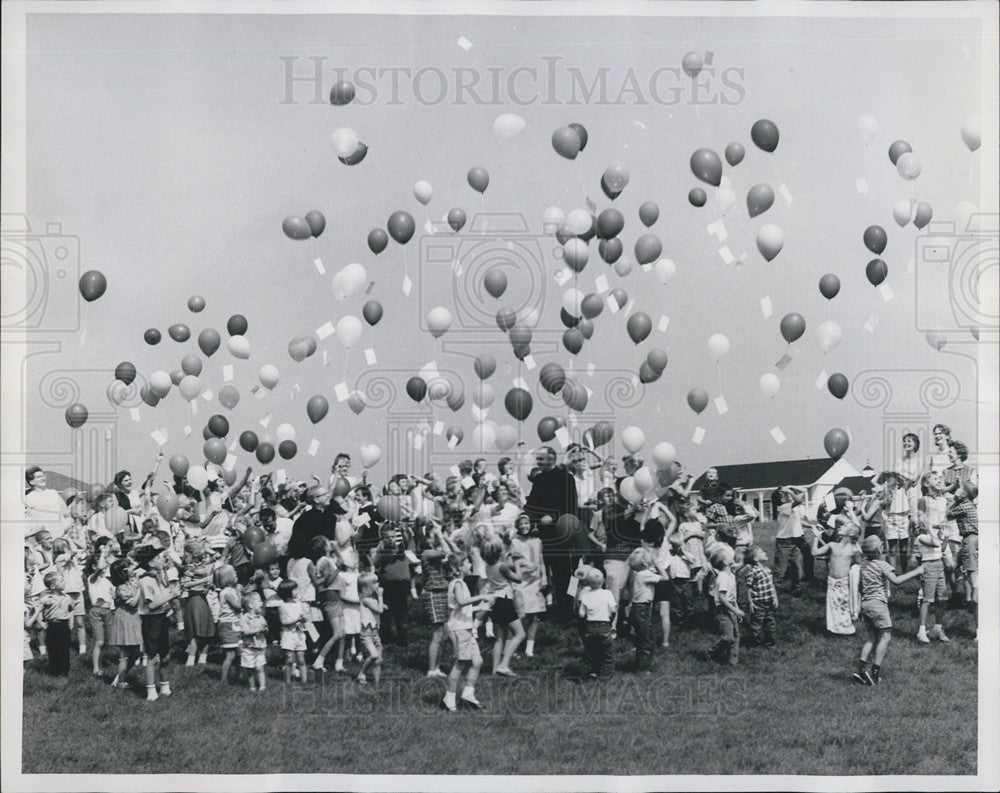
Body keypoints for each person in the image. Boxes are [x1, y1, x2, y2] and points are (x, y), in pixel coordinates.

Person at [852, 535, 924, 686]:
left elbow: (860, 587)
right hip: (878, 604)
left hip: (865, 604)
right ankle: (875, 673)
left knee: (872, 638)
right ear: (879, 549)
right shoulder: (882, 564)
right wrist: (917, 571)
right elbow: (896, 581)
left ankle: (861, 669)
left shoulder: (864, 565)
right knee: (886, 637)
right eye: (881, 545)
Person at [524, 446, 578, 619]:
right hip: (542, 535)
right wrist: (527, 518)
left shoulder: (566, 479)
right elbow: (531, 504)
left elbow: (571, 507)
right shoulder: (539, 479)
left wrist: (553, 518)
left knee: (565, 575)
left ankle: (567, 610)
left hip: (562, 534)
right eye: (537, 459)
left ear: (552, 459)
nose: (537, 463)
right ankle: (540, 609)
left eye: (541, 459)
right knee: (541, 573)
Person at [442, 553, 493, 711]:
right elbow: (462, 602)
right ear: (459, 567)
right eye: (467, 563)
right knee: (460, 663)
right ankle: (449, 699)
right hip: (459, 629)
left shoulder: (462, 583)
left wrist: (481, 607)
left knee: (477, 662)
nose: (470, 565)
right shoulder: (457, 583)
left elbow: (464, 608)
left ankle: (468, 694)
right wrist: (481, 596)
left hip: (466, 628)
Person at [135, 543, 179, 701]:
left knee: (165, 655)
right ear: (151, 563)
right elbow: (151, 605)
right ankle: (151, 690)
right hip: (151, 620)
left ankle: (165, 687)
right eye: (158, 557)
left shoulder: (158, 577)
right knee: (152, 656)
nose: (162, 559)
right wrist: (171, 596)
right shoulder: (146, 581)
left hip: (161, 618)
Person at [479, 535, 525, 676]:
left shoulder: (489, 566)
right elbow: (518, 579)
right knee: (520, 634)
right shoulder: (502, 566)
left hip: (494, 601)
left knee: (500, 637)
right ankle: (504, 665)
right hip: (504, 601)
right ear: (499, 551)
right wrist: (517, 563)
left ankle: (495, 669)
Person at [812, 519, 863, 636]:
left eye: (844, 526)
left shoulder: (853, 549)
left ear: (850, 533)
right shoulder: (832, 545)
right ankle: (834, 629)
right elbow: (814, 553)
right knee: (833, 605)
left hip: (844, 582)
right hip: (832, 582)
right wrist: (816, 537)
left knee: (844, 605)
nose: (840, 527)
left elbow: (860, 564)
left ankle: (846, 628)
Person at [913, 500, 950, 643]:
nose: (926, 523)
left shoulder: (931, 535)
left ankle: (937, 628)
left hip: (939, 564)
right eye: (923, 522)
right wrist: (930, 529)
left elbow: (941, 547)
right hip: (929, 566)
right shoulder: (920, 537)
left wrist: (945, 536)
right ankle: (921, 631)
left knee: (942, 598)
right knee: (928, 599)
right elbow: (935, 543)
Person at [626, 546, 668, 672]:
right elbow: (666, 577)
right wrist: (657, 563)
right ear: (645, 563)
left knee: (644, 638)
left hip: (639, 609)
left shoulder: (639, 574)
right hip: (642, 609)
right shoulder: (645, 574)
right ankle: (643, 669)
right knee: (646, 640)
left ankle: (642, 666)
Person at [575, 566, 617, 679]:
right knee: (607, 654)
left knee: (589, 653)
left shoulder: (585, 595)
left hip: (590, 627)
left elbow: (581, 614)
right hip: (604, 627)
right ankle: (605, 676)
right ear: (603, 581)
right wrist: (610, 618)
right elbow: (613, 609)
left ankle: (586, 675)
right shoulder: (607, 593)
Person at [107, 558, 143, 688]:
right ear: (124, 572)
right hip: (125, 618)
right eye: (130, 567)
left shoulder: (129, 584)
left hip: (133, 618)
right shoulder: (121, 588)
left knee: (137, 651)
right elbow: (132, 603)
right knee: (125, 653)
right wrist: (140, 588)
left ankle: (120, 677)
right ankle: (121, 681)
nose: (134, 568)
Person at [706, 545, 743, 666]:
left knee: (736, 636)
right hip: (723, 610)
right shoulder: (723, 577)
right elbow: (722, 598)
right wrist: (735, 610)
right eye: (728, 555)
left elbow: (732, 597)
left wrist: (736, 608)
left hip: (731, 607)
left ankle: (733, 661)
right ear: (725, 562)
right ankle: (711, 653)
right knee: (728, 638)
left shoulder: (730, 575)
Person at [38, 570, 74, 679]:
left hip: (64, 625)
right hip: (52, 625)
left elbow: (71, 610)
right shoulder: (47, 599)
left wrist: (71, 622)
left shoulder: (67, 598)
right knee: (53, 648)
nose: (64, 582)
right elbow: (38, 610)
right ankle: (54, 671)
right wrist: (41, 623)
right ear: (53, 586)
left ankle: (64, 671)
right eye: (61, 581)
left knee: (64, 648)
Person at [772, 487, 808, 594]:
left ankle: (795, 588)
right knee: (780, 569)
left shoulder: (791, 506)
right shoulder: (783, 507)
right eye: (785, 494)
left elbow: (804, 491)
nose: (789, 494)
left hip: (794, 540)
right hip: (784, 542)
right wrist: (789, 490)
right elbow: (799, 500)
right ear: (782, 499)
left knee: (796, 567)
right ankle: (773, 590)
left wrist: (790, 487)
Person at [744, 546, 779, 648]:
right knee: (756, 625)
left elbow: (772, 585)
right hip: (758, 603)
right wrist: (750, 602)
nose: (765, 552)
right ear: (756, 558)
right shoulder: (753, 572)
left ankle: (770, 643)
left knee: (770, 624)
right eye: (761, 552)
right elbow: (748, 587)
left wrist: (775, 597)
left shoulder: (767, 570)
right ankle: (754, 644)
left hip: (769, 602)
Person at [24, 466, 71, 539]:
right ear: (31, 482)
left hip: (61, 537)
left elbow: (66, 512)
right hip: (44, 540)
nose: (43, 478)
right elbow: (26, 521)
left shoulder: (54, 493)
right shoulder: (29, 498)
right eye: (39, 477)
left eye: (43, 476)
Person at [213, 564, 242, 683]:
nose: (236, 575)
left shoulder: (230, 591)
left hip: (233, 624)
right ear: (228, 577)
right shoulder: (227, 593)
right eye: (234, 573)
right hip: (228, 626)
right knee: (231, 654)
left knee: (239, 652)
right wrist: (239, 593)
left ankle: (239, 674)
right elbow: (238, 606)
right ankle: (224, 679)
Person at [277, 579, 309, 684]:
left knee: (301, 659)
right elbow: (284, 621)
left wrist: (304, 618)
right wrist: (297, 619)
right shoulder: (282, 606)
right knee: (289, 658)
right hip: (288, 634)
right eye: (294, 589)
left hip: (299, 634)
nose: (297, 591)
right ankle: (287, 681)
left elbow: (305, 616)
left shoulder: (299, 603)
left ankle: (304, 681)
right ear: (287, 592)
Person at [356, 572, 384, 685]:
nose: (378, 584)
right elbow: (380, 610)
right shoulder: (365, 600)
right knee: (374, 655)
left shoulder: (372, 599)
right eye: (375, 582)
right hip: (366, 632)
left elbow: (379, 607)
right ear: (368, 586)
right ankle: (362, 673)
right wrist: (381, 596)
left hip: (375, 631)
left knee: (379, 659)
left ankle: (377, 683)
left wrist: (382, 603)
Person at [239, 591, 269, 692]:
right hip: (249, 648)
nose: (262, 603)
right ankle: (252, 687)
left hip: (260, 647)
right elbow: (246, 632)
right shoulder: (244, 618)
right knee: (250, 669)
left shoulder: (261, 617)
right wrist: (259, 630)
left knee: (260, 667)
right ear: (251, 605)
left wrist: (265, 629)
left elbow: (266, 628)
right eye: (259, 601)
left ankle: (262, 686)